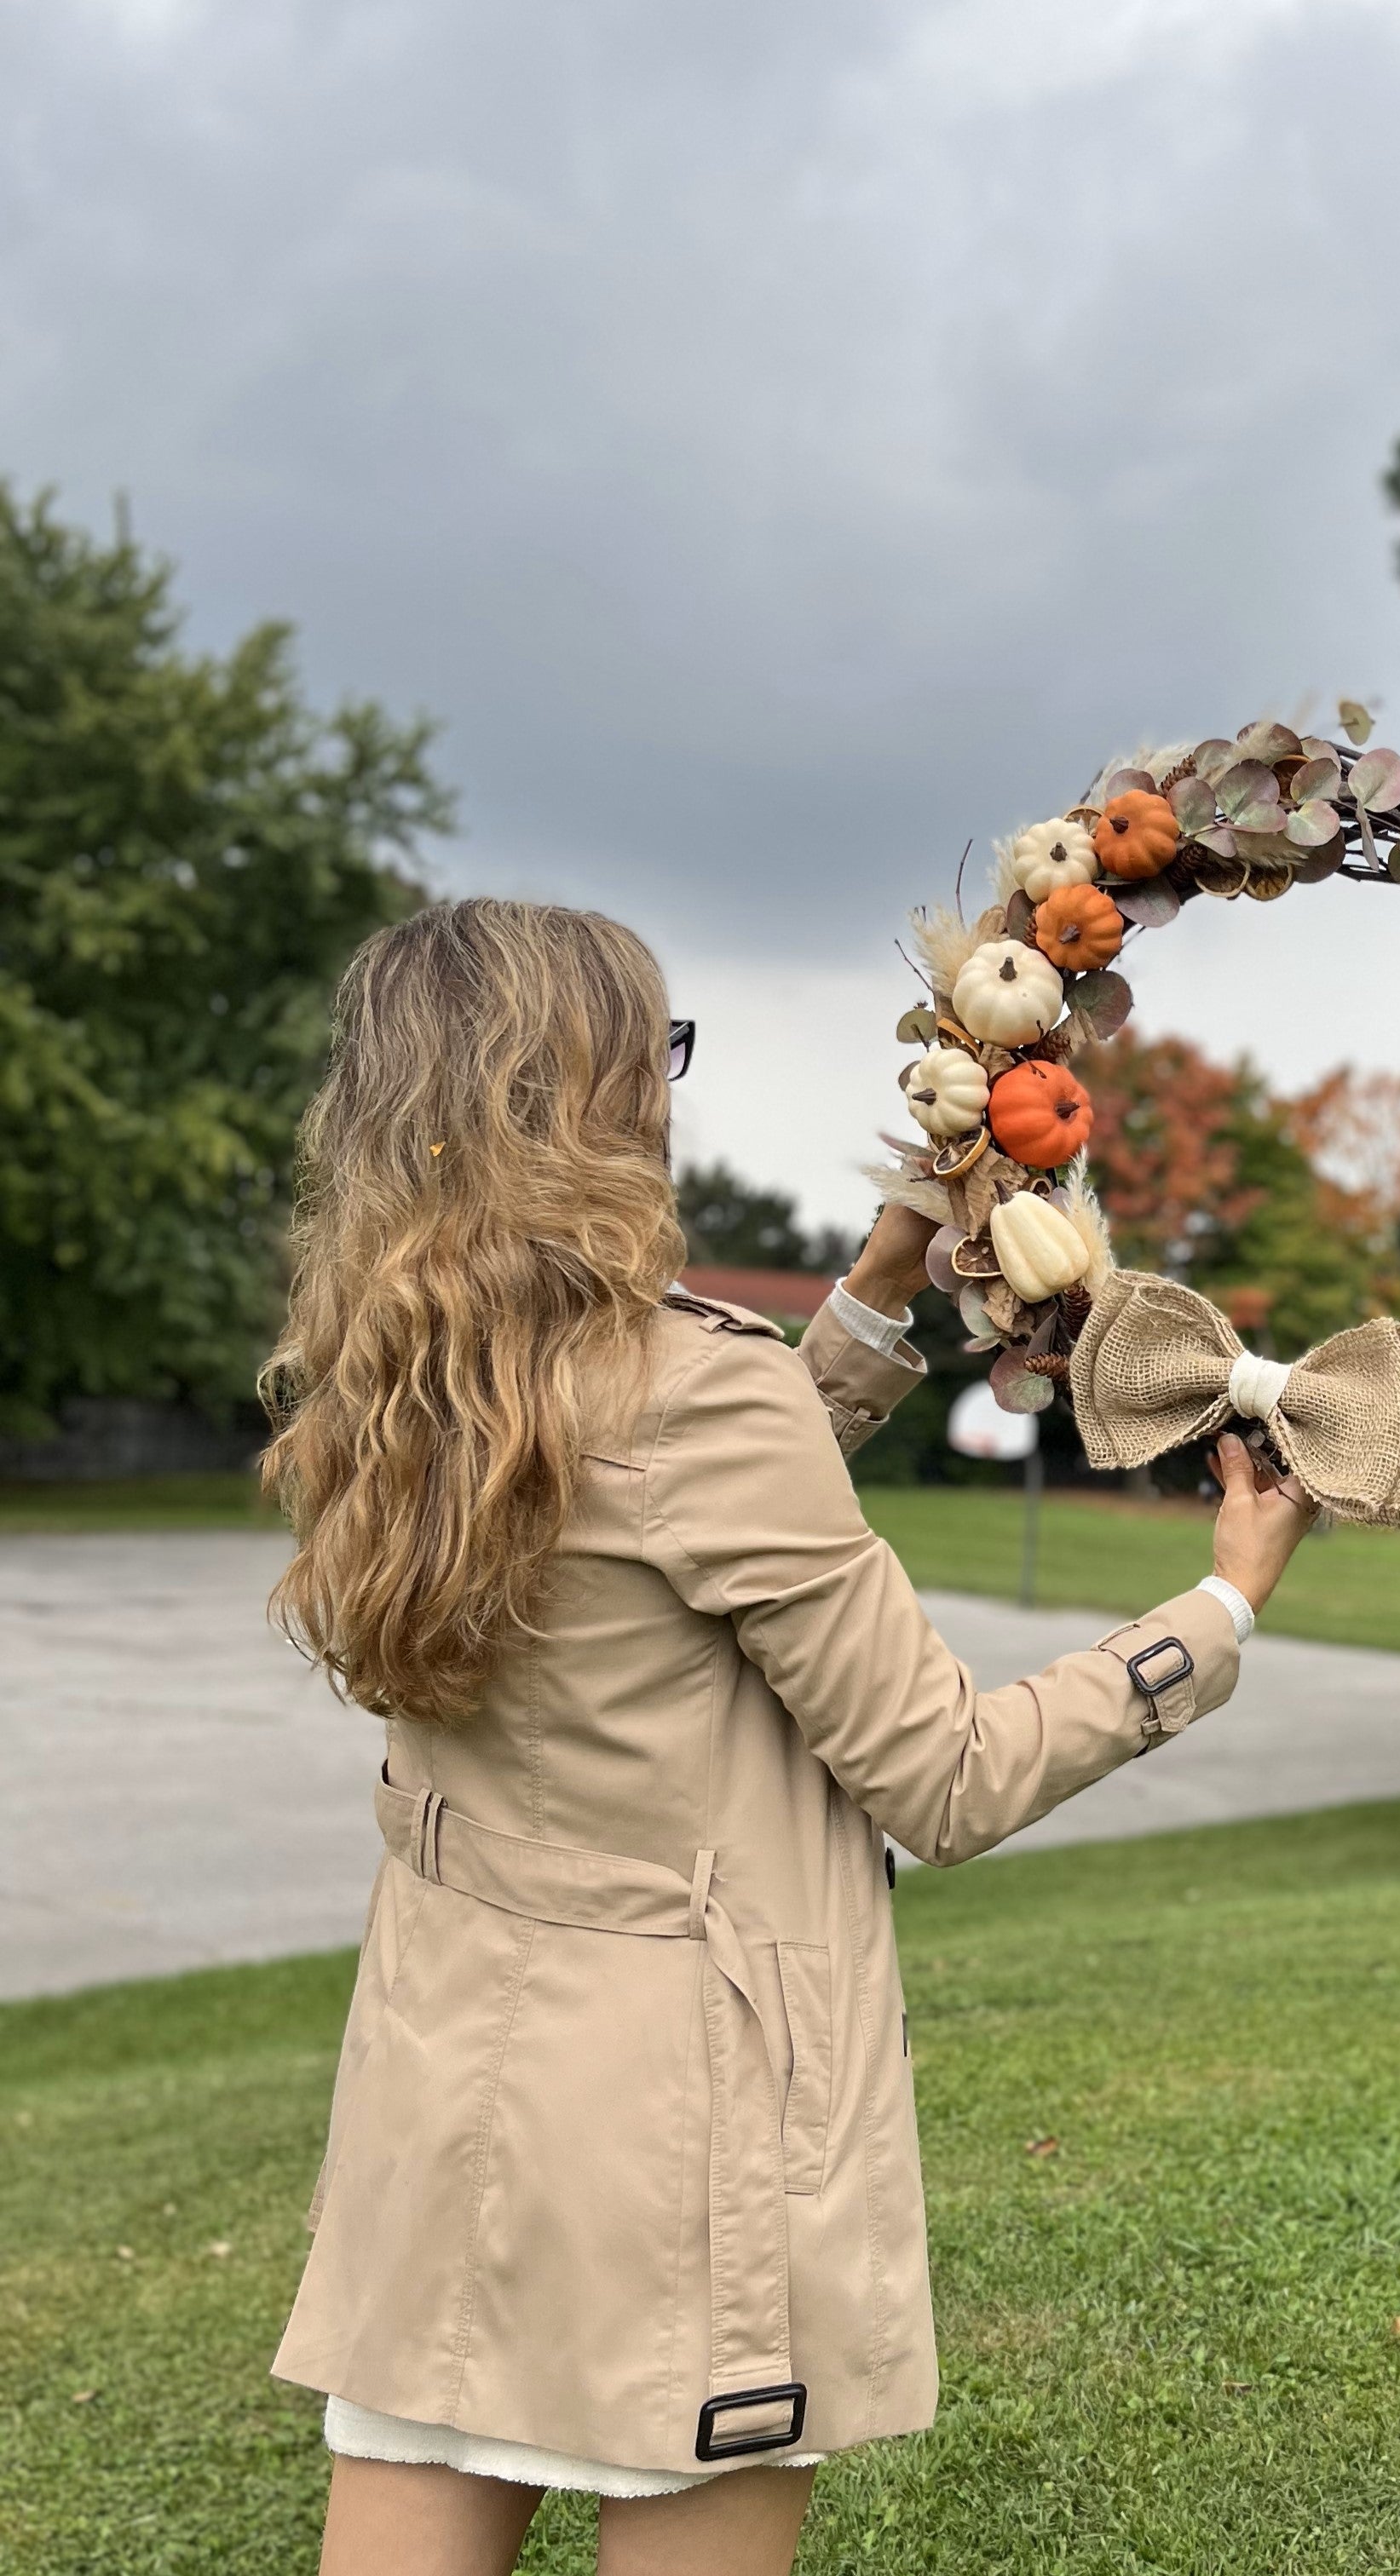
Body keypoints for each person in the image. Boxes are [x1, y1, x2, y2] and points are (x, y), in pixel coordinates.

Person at [258, 898, 1316, 2576]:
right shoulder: (686, 1392)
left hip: (441, 2090)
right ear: (591, 1090)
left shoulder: (384, 1372)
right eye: (655, 1053)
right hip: (680, 2133)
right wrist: (1221, 1612)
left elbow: (640, 1507)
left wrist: (881, 1292)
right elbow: (946, 1775)